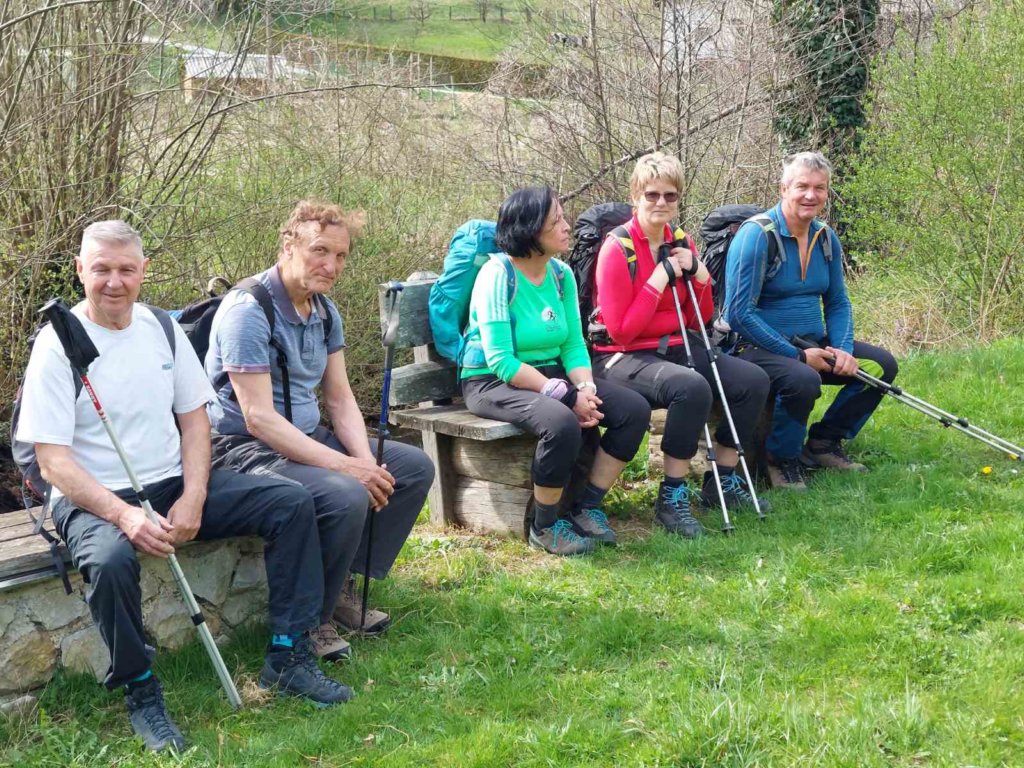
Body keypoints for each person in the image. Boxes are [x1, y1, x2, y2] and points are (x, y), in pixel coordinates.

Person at [15, 221, 352, 754]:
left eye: (126, 269)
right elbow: (53, 461)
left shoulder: (161, 328)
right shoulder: (57, 345)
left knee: (289, 501)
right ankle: (140, 691)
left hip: (173, 483)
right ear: (81, 270)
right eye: (101, 269)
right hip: (93, 498)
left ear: (144, 271)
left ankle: (289, 655)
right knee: (109, 561)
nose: (114, 281)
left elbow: (196, 422)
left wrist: (194, 494)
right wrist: (125, 517)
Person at [205, 200, 434, 660]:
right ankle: (313, 622)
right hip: (243, 450)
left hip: (303, 438)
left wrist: (367, 464)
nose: (331, 265)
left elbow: (340, 398)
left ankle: (344, 585)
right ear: (288, 245)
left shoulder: (325, 311)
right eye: (319, 251)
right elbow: (258, 418)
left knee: (410, 467)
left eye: (341, 256)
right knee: (344, 492)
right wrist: (348, 469)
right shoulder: (248, 311)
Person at [460, 186, 651, 556]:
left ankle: (586, 507)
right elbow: (501, 360)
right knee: (562, 421)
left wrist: (586, 386)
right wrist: (565, 395)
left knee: (633, 410)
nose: (567, 227)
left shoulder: (561, 275)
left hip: (549, 374)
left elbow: (573, 344)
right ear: (531, 230)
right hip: (491, 381)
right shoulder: (497, 275)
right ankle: (545, 527)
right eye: (557, 221)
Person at [590, 153, 772, 537]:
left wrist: (699, 273)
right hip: (621, 358)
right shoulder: (616, 250)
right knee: (690, 388)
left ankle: (720, 480)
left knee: (751, 380)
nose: (661, 203)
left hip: (675, 345)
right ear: (635, 195)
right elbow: (622, 332)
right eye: (652, 194)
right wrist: (659, 279)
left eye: (670, 196)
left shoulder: (680, 241)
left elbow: (697, 319)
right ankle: (671, 497)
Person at [722, 151, 898, 490]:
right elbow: (738, 313)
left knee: (879, 367)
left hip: (811, 343)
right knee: (803, 379)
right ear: (784, 188)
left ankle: (824, 443)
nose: (810, 195)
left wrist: (843, 349)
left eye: (819, 188)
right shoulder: (757, 236)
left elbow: (838, 301)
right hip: (753, 347)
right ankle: (781, 460)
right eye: (802, 186)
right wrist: (798, 356)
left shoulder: (825, 238)